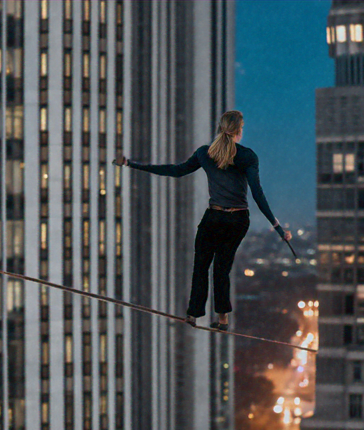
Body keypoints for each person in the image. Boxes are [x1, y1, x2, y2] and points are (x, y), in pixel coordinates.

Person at [113, 110, 292, 331]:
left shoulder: (205, 154)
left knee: (201, 265)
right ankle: (223, 319)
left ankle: (193, 314)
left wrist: (132, 164)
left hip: (214, 216)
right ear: (239, 131)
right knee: (222, 268)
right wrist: (278, 228)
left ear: (221, 128)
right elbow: (257, 194)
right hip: (237, 219)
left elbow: (175, 171)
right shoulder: (247, 156)